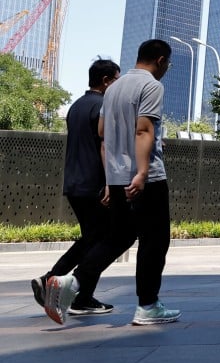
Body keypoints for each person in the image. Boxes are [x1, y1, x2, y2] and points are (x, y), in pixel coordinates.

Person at [44, 39, 181, 326]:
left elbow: (104, 135)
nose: (166, 68)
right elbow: (144, 130)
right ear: (159, 60)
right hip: (147, 179)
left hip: (116, 178)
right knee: (155, 241)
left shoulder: (114, 87)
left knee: (119, 237)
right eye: (167, 63)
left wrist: (109, 180)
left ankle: (73, 282)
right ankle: (148, 306)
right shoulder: (152, 86)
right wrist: (142, 173)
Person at [31, 58, 120, 316]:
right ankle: (54, 280)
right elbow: (106, 147)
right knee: (103, 239)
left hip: (74, 183)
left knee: (93, 239)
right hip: (94, 184)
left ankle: (80, 295)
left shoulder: (77, 106)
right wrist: (109, 184)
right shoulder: (103, 107)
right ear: (105, 81)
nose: (117, 84)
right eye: (116, 79)